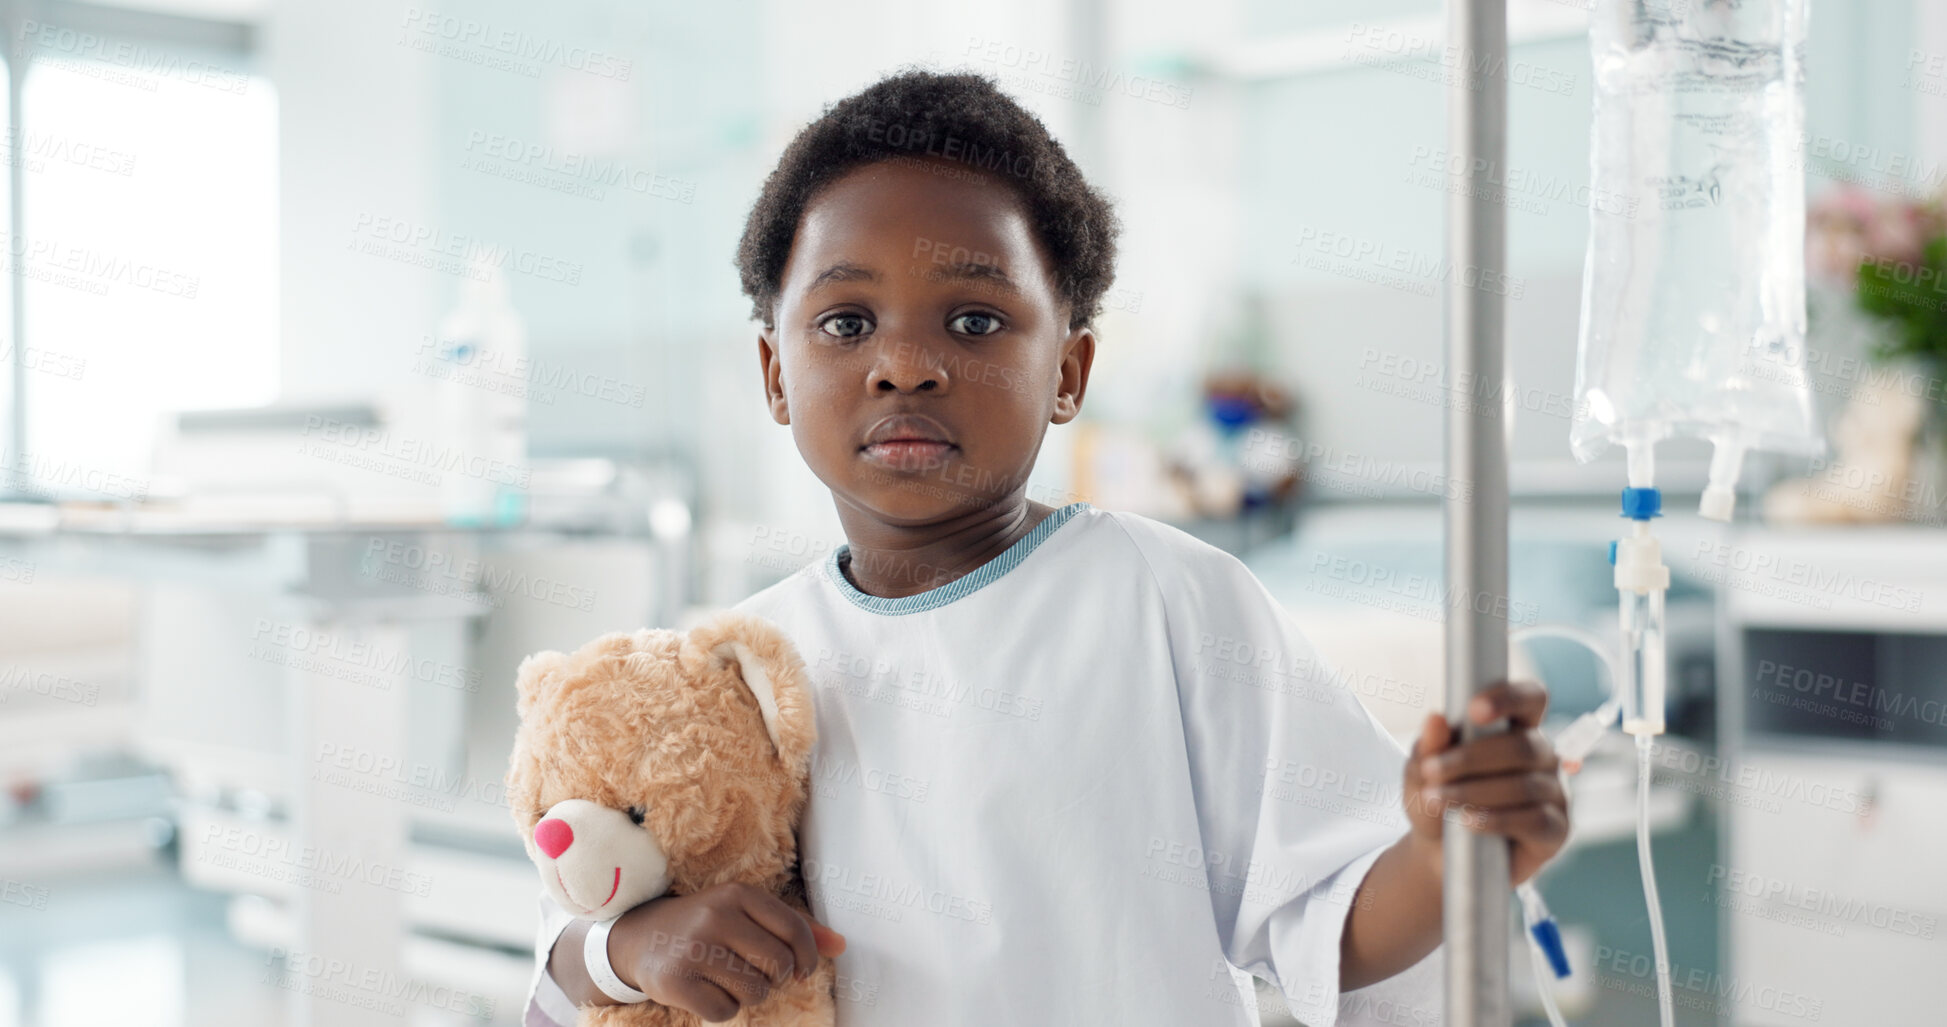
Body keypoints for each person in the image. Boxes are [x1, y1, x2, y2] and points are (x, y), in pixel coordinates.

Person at [523, 69, 1566, 1027]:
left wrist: (1444, 851)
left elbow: (1328, 916)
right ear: (773, 372)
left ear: (1068, 370)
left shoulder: (1171, 603)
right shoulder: (733, 668)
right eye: (845, 322)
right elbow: (570, 945)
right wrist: (627, 950)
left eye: (975, 321)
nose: (906, 364)